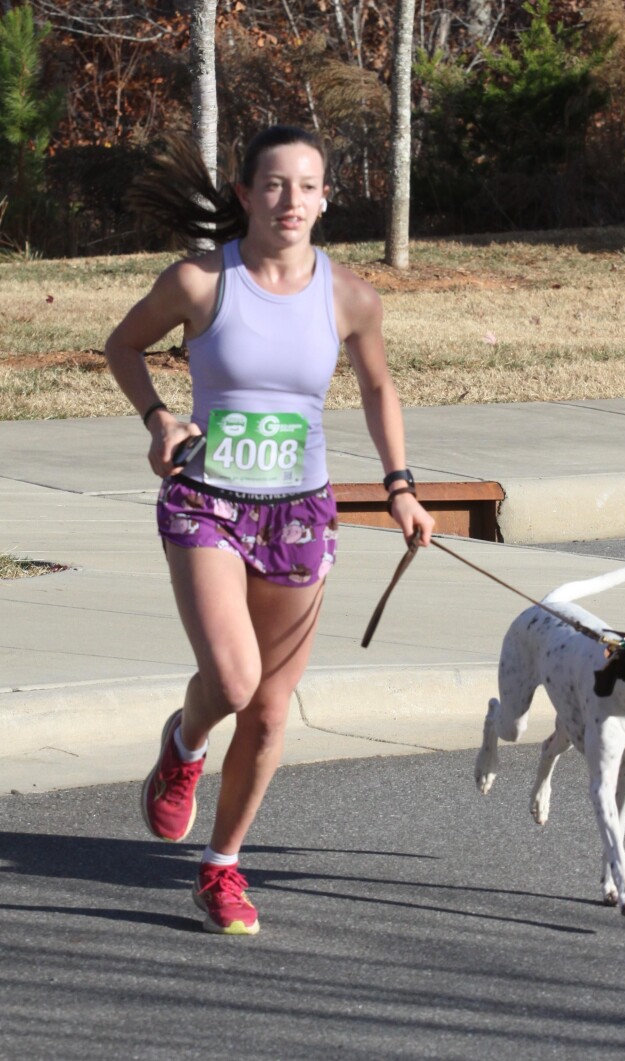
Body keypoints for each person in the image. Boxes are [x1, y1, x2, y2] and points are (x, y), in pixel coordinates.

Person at [105, 126, 435, 935]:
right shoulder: (200, 282)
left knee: (271, 709)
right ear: (247, 194)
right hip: (208, 499)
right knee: (232, 679)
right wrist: (158, 418)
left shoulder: (351, 297)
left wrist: (400, 484)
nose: (293, 200)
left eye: (309, 185)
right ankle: (184, 745)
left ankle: (221, 868)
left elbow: (379, 386)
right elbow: (123, 344)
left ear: (326, 199)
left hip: (299, 510)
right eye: (276, 185)